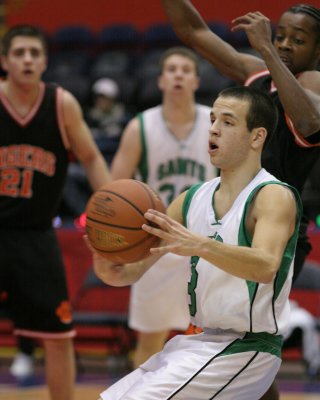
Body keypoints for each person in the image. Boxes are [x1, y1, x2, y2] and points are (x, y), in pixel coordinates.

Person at [87, 86, 302, 400]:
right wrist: (107, 261)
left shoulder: (272, 196)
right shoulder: (190, 200)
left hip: (248, 348)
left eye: (227, 122)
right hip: (197, 342)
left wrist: (201, 245)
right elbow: (132, 272)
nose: (213, 128)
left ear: (257, 137)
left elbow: (266, 266)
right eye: (213, 119)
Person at [160, 2, 320, 398]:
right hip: (227, 214)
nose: (284, 44)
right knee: (236, 342)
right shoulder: (258, 74)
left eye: (297, 40)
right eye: (279, 35)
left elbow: (309, 122)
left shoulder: (313, 86)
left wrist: (266, 48)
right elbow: (193, 32)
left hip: (275, 230)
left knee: (240, 340)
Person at [0, 25, 111, 400]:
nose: (27, 59)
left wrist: (109, 203)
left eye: (34, 52)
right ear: (4, 61)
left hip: (36, 236)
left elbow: (92, 157)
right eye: (19, 53)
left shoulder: (62, 104)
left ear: (45, 61)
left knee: (58, 336)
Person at [111, 46, 217, 368]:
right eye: (171, 70)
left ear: (196, 81)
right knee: (150, 342)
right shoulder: (140, 126)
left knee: (208, 340)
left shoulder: (215, 121)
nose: (178, 75)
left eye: (185, 70)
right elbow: (115, 188)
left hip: (202, 245)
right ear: (160, 80)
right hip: (154, 247)